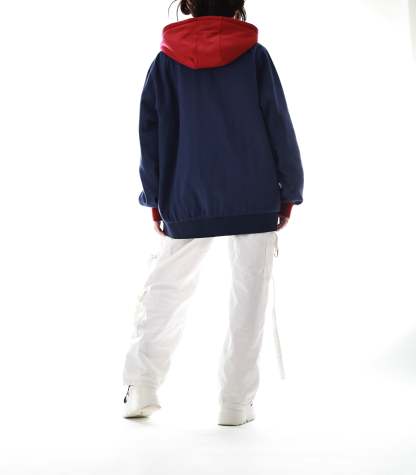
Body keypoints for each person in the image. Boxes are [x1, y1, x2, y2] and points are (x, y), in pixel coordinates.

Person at [121, 0, 304, 426]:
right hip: (254, 192)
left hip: (186, 192)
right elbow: (278, 122)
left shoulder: (165, 63)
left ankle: (141, 387)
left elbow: (150, 134)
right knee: (249, 296)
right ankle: (235, 404)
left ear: (188, 4)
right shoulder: (254, 57)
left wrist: (155, 196)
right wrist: (290, 189)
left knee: (167, 290)